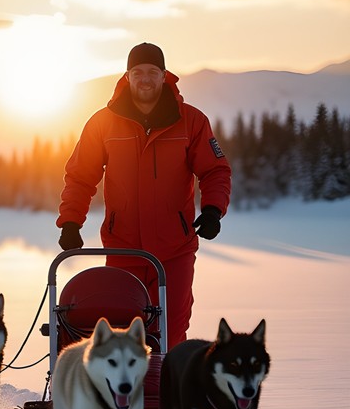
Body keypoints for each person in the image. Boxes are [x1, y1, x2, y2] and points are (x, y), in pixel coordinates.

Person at [56, 42, 232, 349]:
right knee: (123, 332)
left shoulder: (191, 121)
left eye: (152, 71)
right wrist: (71, 221)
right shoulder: (103, 122)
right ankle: (127, 396)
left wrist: (214, 209)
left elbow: (215, 170)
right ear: (127, 76)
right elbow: (81, 176)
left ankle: (168, 394)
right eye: (138, 72)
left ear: (165, 76)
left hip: (174, 250)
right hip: (124, 248)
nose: (145, 79)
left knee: (172, 331)